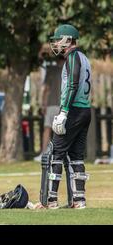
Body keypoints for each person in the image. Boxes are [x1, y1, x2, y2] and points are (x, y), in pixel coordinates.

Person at [38, 24, 91, 209]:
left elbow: (72, 84)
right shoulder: (84, 57)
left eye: (58, 39)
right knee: (76, 156)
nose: (56, 43)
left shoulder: (73, 57)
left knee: (56, 153)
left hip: (73, 111)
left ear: (68, 40)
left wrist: (64, 112)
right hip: (85, 110)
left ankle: (50, 200)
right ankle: (79, 200)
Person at [34, 55, 65, 162]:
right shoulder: (68, 73)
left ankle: (43, 153)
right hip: (63, 106)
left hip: (52, 104)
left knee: (47, 129)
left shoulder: (51, 70)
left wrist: (43, 104)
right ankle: (61, 153)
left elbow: (46, 89)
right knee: (61, 130)